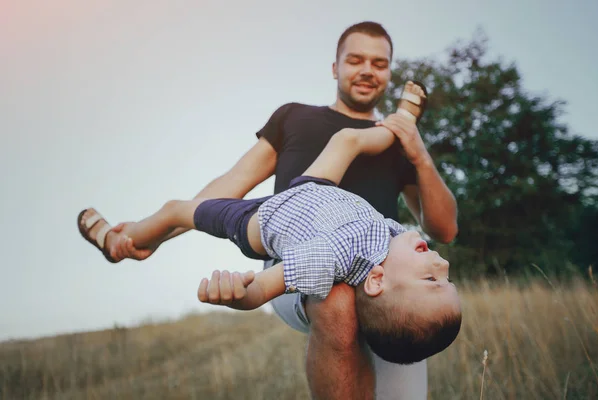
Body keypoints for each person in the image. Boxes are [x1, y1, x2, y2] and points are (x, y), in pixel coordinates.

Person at [102, 21, 458, 400]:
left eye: (379, 63)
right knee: (337, 299)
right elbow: (230, 186)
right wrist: (159, 237)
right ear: (335, 67)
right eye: (355, 60)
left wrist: (419, 154)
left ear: (388, 73)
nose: (368, 70)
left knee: (413, 321)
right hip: (291, 259)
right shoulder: (295, 118)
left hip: (386, 275)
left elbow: (444, 229)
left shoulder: (401, 143)